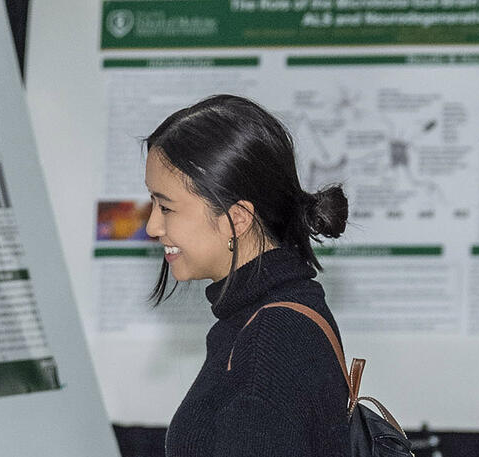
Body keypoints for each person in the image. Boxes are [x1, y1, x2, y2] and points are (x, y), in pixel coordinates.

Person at [143, 95, 351, 456]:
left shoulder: (269, 340)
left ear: (237, 218)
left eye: (166, 207)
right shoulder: (279, 313)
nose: (152, 226)